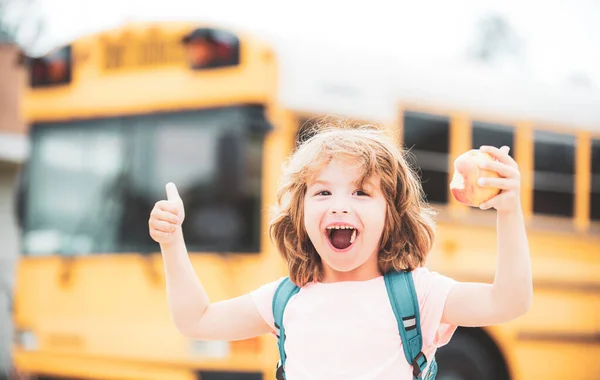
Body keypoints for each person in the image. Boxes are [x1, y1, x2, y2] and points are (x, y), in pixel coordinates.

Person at [148, 119, 533, 379]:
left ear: (392, 215)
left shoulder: (417, 295)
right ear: (299, 213)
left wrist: (509, 211)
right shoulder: (284, 300)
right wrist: (171, 242)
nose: (339, 205)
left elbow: (509, 302)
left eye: (361, 192)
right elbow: (195, 320)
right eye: (322, 192)